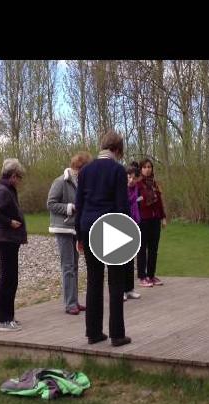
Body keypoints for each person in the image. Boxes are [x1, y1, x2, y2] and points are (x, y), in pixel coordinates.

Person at [75, 130, 131, 347]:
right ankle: (117, 334)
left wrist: (79, 235)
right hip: (110, 227)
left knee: (94, 280)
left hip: (88, 226)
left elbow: (79, 205)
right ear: (117, 149)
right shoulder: (117, 170)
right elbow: (121, 206)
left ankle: (93, 332)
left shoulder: (85, 171)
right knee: (116, 281)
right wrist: (127, 235)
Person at [47, 151, 92, 315]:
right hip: (63, 228)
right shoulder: (60, 182)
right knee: (67, 266)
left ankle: (74, 301)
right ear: (80, 167)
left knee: (74, 265)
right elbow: (50, 204)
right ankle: (70, 303)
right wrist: (70, 208)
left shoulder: (81, 182)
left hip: (75, 228)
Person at [0, 158, 28, 331]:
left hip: (9, 240)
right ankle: (2, 320)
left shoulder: (7, 189)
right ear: (12, 176)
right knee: (7, 279)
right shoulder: (3, 190)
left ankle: (9, 317)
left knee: (12, 278)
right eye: (19, 177)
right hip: (4, 239)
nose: (20, 181)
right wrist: (10, 222)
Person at [136, 158, 167, 287]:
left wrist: (163, 217)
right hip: (143, 220)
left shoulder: (155, 184)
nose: (147, 169)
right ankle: (142, 277)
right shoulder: (137, 185)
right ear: (141, 169)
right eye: (145, 167)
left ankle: (151, 275)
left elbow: (159, 202)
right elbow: (134, 202)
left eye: (149, 167)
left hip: (155, 219)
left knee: (154, 249)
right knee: (142, 249)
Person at [124, 163, 142, 301]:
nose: (131, 180)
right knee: (122, 260)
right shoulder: (121, 189)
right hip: (122, 223)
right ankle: (122, 290)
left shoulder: (137, 189)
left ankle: (130, 289)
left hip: (134, 223)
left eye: (134, 178)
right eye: (129, 177)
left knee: (130, 258)